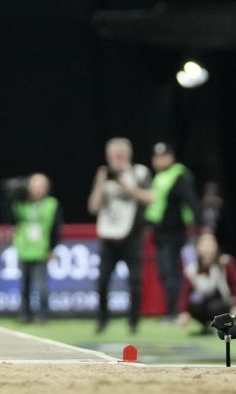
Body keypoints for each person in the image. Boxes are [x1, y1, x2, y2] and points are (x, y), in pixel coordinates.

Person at [87, 137, 153, 334]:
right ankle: (102, 320)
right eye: (115, 156)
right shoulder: (104, 176)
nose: (118, 159)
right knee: (102, 281)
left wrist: (126, 185)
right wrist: (101, 181)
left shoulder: (139, 172)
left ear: (129, 155)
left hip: (132, 236)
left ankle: (133, 322)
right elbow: (93, 207)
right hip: (109, 237)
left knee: (135, 282)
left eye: (121, 155)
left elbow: (150, 198)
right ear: (108, 157)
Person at [145, 142, 201, 321]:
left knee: (171, 272)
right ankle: (172, 311)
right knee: (164, 272)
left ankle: (174, 312)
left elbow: (192, 201)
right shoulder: (160, 177)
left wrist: (200, 226)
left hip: (174, 232)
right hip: (160, 233)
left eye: (164, 156)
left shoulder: (178, 175)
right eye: (157, 157)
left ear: (171, 157)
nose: (160, 160)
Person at [12, 173, 62, 323]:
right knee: (24, 286)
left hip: (41, 250)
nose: (39, 189)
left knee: (41, 286)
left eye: (42, 186)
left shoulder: (51, 204)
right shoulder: (20, 203)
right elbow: (10, 219)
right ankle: (25, 314)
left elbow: (56, 228)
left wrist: (52, 248)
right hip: (24, 249)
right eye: (36, 185)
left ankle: (43, 315)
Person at [176, 232, 236, 334]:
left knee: (214, 307)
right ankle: (208, 326)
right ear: (198, 248)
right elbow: (185, 293)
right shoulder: (192, 269)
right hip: (208, 304)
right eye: (204, 245)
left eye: (211, 245)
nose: (208, 249)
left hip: (227, 303)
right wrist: (183, 312)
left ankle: (224, 325)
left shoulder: (225, 263)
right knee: (195, 306)